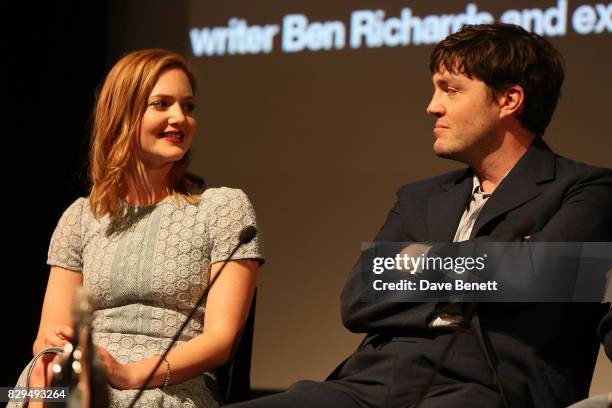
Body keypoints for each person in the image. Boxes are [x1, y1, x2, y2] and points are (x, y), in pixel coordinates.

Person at [228, 23, 612, 408]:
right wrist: (491, 271)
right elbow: (358, 297)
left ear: (508, 100)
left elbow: (542, 274)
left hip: (488, 388)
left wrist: (416, 261)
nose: (433, 106)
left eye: (451, 89)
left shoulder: (586, 189)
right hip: (370, 382)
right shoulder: (420, 196)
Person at [10, 49, 263, 408]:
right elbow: (46, 334)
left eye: (188, 107)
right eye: (162, 104)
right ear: (122, 114)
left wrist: (130, 374)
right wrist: (54, 354)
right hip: (81, 378)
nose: (180, 117)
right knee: (32, 391)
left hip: (168, 384)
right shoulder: (80, 216)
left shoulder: (223, 208)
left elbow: (221, 341)